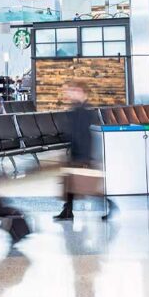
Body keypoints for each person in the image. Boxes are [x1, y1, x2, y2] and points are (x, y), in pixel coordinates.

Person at [54, 83, 114, 221]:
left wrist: (84, 157)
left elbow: (83, 136)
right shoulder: (76, 109)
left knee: (87, 187)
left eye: (73, 91)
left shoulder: (84, 111)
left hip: (82, 154)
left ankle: (110, 204)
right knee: (69, 183)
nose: (70, 94)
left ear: (81, 92)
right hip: (76, 152)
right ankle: (67, 211)